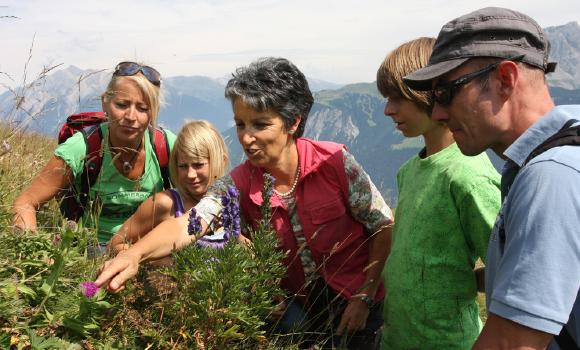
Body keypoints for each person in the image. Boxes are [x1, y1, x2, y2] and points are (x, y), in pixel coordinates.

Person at [96, 57, 394, 349]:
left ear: (293, 122)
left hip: (361, 306)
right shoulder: (238, 183)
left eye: (260, 125)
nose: (246, 138)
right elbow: (190, 223)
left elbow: (382, 226)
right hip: (304, 311)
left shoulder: (335, 163)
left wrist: (364, 296)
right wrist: (133, 255)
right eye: (240, 124)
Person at [403, 7, 580, 349]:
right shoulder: (552, 155)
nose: (438, 112)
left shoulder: (552, 176)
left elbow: (512, 343)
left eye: (445, 93)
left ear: (505, 79)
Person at [376, 37, 501, 349]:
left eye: (396, 98)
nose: (388, 110)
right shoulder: (409, 170)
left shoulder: (467, 174)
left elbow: (509, 265)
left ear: (431, 92)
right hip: (397, 337)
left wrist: (460, 283)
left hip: (447, 342)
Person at [12, 62, 176, 249]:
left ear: (154, 112)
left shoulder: (166, 146)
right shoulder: (82, 148)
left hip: (151, 249)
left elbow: (196, 201)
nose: (131, 116)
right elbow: (25, 203)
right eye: (122, 105)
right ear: (105, 102)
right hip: (90, 252)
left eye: (143, 108)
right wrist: (35, 253)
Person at [108, 120, 229, 254]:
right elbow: (114, 245)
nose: (190, 174)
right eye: (183, 166)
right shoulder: (165, 204)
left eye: (198, 165)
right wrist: (164, 262)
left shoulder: (226, 200)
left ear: (220, 161)